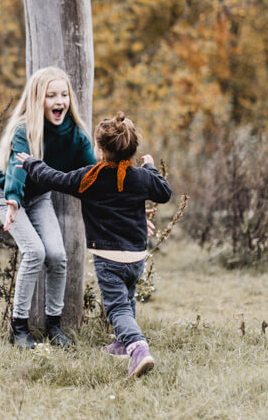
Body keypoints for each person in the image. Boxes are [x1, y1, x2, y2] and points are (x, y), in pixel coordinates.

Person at [16, 112, 172, 377]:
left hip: (108, 259)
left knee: (118, 307)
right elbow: (164, 192)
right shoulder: (141, 177)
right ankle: (122, 344)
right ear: (133, 150)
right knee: (127, 299)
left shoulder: (89, 177)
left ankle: (137, 347)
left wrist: (32, 163)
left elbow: (54, 178)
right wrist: (150, 168)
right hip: (135, 257)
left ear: (99, 150)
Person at [0, 66, 96, 349]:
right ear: (39, 99)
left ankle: (53, 325)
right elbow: (17, 168)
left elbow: (94, 177)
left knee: (58, 255)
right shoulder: (25, 129)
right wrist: (13, 198)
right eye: (51, 96)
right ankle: (19, 328)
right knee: (34, 252)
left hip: (39, 199)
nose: (59, 101)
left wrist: (125, 204)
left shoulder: (76, 135)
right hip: (8, 197)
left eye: (64, 95)